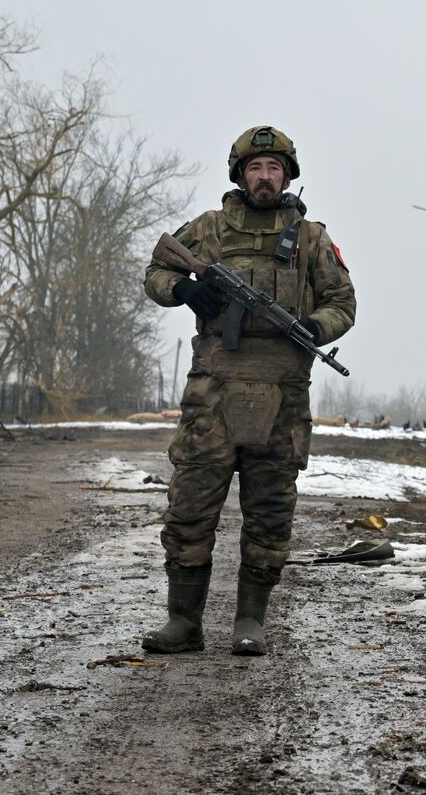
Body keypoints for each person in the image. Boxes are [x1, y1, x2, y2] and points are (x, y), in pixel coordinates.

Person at [141, 125, 356, 655]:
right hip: (211, 395)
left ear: (288, 176)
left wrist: (316, 327)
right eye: (256, 168)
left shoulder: (311, 239)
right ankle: (182, 622)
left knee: (270, 510)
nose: (265, 177)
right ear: (240, 173)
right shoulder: (210, 229)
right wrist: (183, 290)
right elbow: (155, 272)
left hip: (281, 398)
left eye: (274, 169)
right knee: (190, 507)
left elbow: (343, 303)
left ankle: (250, 621)